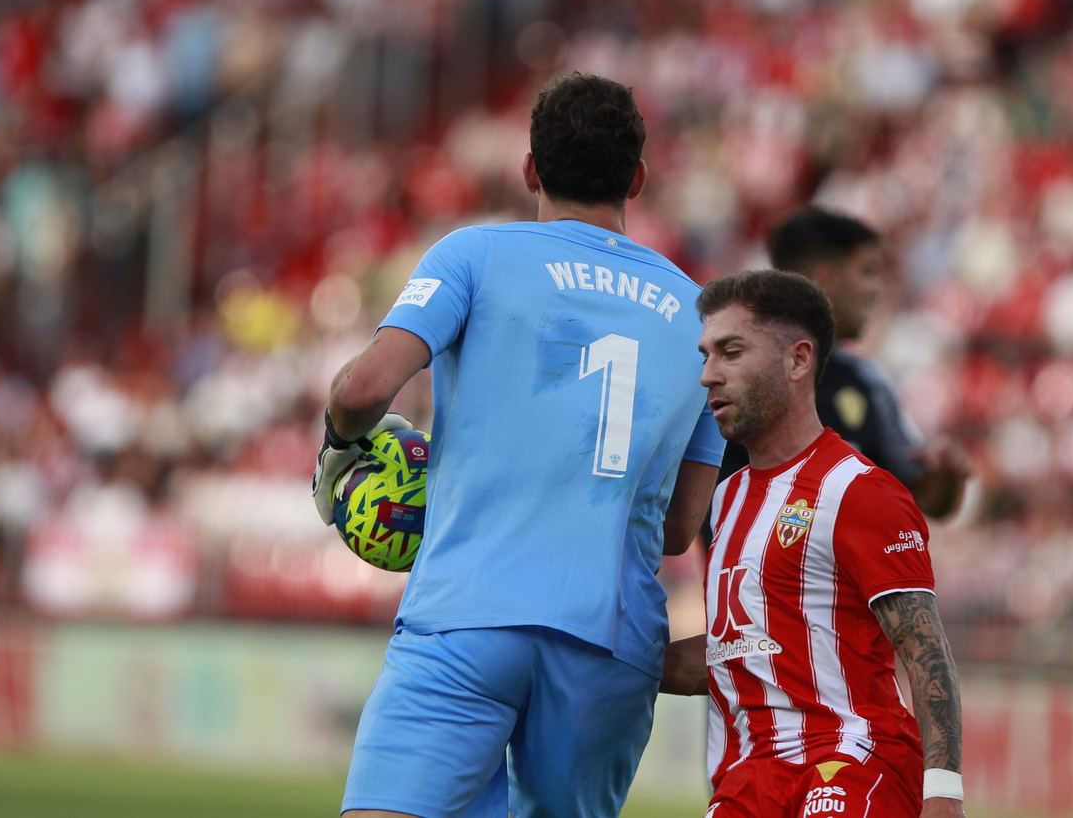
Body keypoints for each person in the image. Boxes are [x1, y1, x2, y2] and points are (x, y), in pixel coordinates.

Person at [317, 73, 725, 818]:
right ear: (636, 178)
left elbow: (362, 391)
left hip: (466, 612)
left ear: (531, 168)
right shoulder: (701, 316)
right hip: (610, 640)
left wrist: (337, 444)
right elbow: (677, 529)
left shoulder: (472, 256)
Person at [664, 269, 966, 818]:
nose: (708, 375)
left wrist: (943, 789)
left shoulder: (859, 490)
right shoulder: (726, 499)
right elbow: (738, 654)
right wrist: (580, 657)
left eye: (730, 352)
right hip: (748, 779)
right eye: (705, 355)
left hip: (851, 760)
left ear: (798, 360)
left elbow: (924, 646)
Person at [715, 210, 968, 519]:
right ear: (826, 281)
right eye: (867, 271)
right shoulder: (734, 375)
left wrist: (945, 479)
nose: (876, 289)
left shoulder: (865, 380)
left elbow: (921, 495)